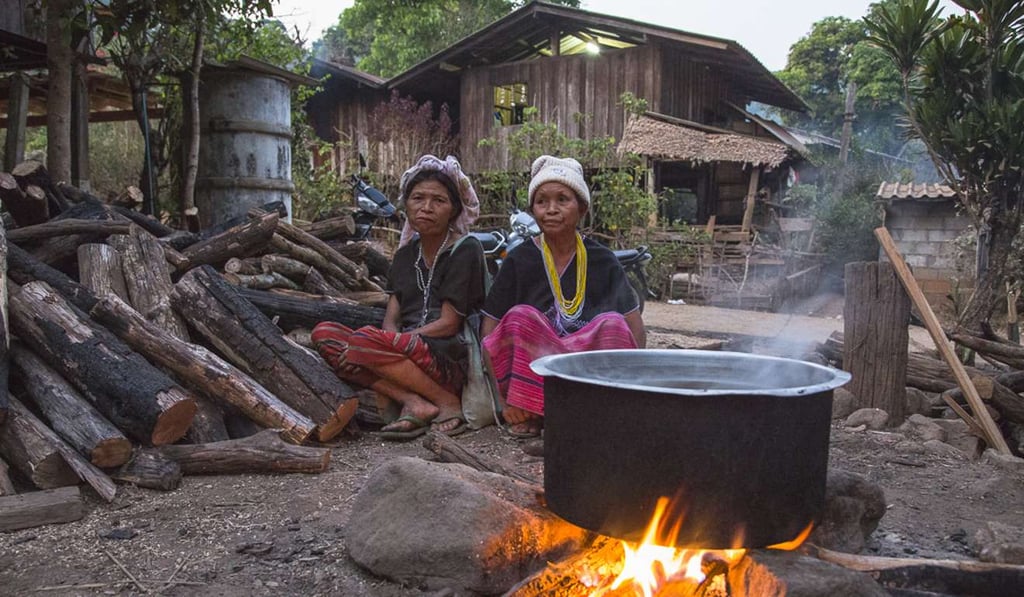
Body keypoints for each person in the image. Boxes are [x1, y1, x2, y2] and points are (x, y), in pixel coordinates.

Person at [312, 155, 486, 440]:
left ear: (454, 209)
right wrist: (386, 345)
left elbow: (448, 324)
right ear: (406, 204)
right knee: (325, 333)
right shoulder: (405, 255)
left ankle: (447, 402)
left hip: (448, 357)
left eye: (438, 201)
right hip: (403, 354)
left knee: (364, 342)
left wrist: (393, 344)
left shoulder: (466, 250)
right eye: (418, 198)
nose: (426, 207)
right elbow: (390, 320)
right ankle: (414, 402)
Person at [480, 155, 646, 438]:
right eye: (542, 201)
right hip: (533, 374)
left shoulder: (603, 260)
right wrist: (501, 396)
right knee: (522, 317)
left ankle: (593, 408)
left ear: (581, 208)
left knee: (612, 324)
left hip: (585, 374)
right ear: (532, 209)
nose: (551, 210)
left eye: (563, 200)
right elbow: (490, 332)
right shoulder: (519, 259)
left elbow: (635, 333)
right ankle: (529, 407)